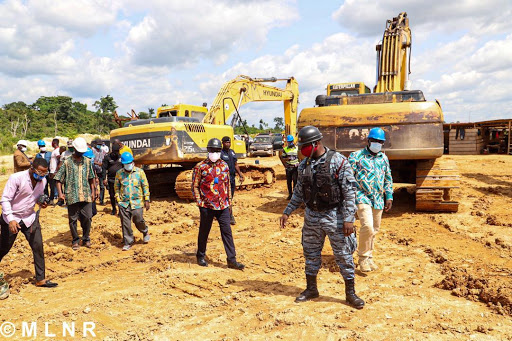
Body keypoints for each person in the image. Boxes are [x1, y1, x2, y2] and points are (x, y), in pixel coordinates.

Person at [279, 126, 364, 309]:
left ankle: (350, 294)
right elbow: (298, 192)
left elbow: (350, 193)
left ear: (316, 143)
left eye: (305, 146)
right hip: (311, 217)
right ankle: (311, 289)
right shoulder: (304, 165)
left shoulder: (339, 161)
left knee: (343, 255)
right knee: (310, 253)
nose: (302, 150)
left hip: (336, 217)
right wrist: (287, 211)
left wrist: (349, 219)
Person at [0, 157, 58, 298]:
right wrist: (11, 219)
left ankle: (40, 279)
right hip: (12, 218)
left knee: (38, 246)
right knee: (4, 247)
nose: (42, 176)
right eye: (40, 172)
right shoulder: (17, 178)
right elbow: (5, 199)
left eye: (44, 173)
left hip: (30, 218)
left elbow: (36, 197)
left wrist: (41, 203)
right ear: (32, 168)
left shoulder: (42, 180)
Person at [192, 138, 244, 270]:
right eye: (212, 150)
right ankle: (200, 255)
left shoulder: (224, 166)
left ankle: (231, 260)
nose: (214, 153)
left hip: (223, 206)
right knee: (204, 231)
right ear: (208, 151)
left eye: (217, 151)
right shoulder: (200, 167)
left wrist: (230, 204)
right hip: (207, 206)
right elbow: (195, 186)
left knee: (227, 232)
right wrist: (200, 202)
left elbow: (227, 186)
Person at [348, 127, 393, 273]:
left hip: (378, 198)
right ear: (368, 141)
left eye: (380, 142)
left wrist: (389, 196)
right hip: (362, 196)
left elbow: (388, 178)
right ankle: (362, 258)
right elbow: (348, 178)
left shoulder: (383, 158)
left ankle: (369, 257)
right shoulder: (356, 156)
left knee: (374, 229)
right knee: (367, 226)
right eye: (374, 141)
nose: (377, 143)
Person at [54, 137, 96, 250]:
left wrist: (93, 191)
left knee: (87, 217)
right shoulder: (67, 162)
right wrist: (60, 193)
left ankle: (86, 238)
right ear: (75, 150)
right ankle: (75, 240)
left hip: (86, 194)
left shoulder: (87, 161)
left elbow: (92, 178)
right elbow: (58, 179)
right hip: (71, 195)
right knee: (72, 219)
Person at [114, 152, 151, 251]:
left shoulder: (140, 172)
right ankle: (128, 242)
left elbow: (145, 186)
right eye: (126, 163)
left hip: (137, 202)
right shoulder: (119, 173)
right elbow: (116, 188)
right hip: (124, 203)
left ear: (133, 162)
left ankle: (145, 232)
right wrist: (118, 199)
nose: (128, 165)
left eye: (129, 163)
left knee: (138, 219)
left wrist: (147, 199)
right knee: (125, 223)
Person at [220, 136, 244, 225]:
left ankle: (225, 213)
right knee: (228, 198)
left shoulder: (232, 152)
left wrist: (240, 174)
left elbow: (235, 164)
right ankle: (230, 216)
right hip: (224, 179)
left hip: (232, 178)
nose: (228, 144)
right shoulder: (220, 154)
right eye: (226, 142)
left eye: (229, 142)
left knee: (230, 197)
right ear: (222, 143)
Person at [102, 144, 123, 215]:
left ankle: (121, 210)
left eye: (117, 151)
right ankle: (114, 209)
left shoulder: (121, 157)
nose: (116, 153)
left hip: (120, 179)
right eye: (115, 151)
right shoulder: (107, 157)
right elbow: (104, 168)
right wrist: (104, 178)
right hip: (111, 179)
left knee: (121, 195)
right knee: (112, 195)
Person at [280, 134, 299, 200]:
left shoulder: (297, 149)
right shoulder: (285, 149)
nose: (290, 143)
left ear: (293, 141)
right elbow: (283, 158)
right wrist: (287, 159)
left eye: (291, 141)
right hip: (288, 167)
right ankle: (290, 194)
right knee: (289, 181)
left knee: (295, 180)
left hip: (295, 167)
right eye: (288, 142)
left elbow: (300, 157)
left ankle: (294, 194)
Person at [92, 139, 106, 205]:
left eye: (100, 145)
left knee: (102, 186)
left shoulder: (102, 151)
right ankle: (93, 199)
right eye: (98, 144)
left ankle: (101, 200)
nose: (99, 146)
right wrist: (97, 163)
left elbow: (103, 159)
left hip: (100, 170)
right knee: (94, 185)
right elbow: (91, 161)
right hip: (93, 170)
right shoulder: (92, 150)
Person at [49, 138, 61, 204]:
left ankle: (55, 199)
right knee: (52, 186)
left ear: (54, 143)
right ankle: (52, 199)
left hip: (54, 171)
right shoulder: (54, 150)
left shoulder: (57, 151)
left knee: (54, 186)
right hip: (52, 170)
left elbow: (59, 161)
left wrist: (56, 171)